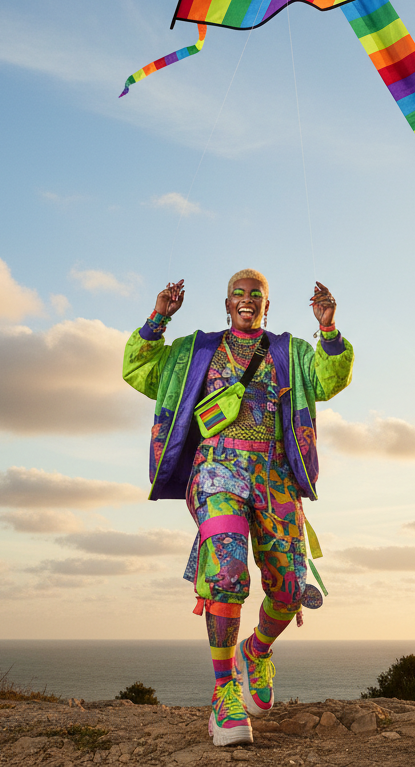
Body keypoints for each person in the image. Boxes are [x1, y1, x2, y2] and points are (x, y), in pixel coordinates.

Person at [122, 270, 353, 746]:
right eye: (239, 295)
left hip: (275, 474)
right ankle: (224, 692)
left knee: (290, 590)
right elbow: (138, 370)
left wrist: (328, 329)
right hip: (217, 468)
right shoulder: (197, 350)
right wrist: (157, 319)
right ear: (226, 302)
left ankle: (256, 650)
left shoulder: (290, 352)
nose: (248, 301)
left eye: (257, 296)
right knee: (227, 574)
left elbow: (331, 380)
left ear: (267, 305)